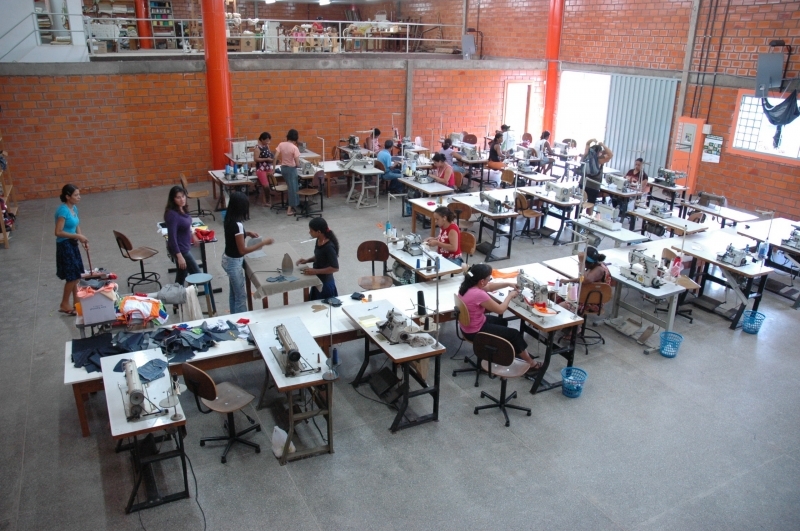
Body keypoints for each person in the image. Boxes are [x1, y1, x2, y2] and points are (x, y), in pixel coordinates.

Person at [457, 264, 542, 372]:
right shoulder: (478, 294)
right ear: (482, 281)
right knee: (514, 334)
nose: (489, 280)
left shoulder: (467, 286)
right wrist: (510, 296)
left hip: (468, 326)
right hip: (475, 331)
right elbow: (500, 310)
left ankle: (506, 351)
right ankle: (531, 363)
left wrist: (508, 283)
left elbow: (489, 287)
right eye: (488, 278)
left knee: (502, 322)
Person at [221, 192, 274, 314]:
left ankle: (234, 316)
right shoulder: (238, 225)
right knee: (240, 296)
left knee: (234, 293)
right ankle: (242, 320)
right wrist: (263, 243)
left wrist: (247, 233)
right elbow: (242, 250)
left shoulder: (228, 218)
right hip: (234, 263)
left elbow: (234, 236)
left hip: (227, 259)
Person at [55, 184, 88, 316]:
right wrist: (77, 236)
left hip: (72, 243)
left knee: (76, 274)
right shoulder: (63, 211)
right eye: (76, 195)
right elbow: (58, 232)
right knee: (72, 276)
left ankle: (76, 302)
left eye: (79, 194)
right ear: (68, 197)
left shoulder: (73, 208)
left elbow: (76, 224)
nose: (79, 197)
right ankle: (64, 303)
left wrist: (81, 238)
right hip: (65, 245)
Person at [558, 246, 612, 318]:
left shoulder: (599, 270)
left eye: (584, 263)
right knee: (555, 296)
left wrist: (581, 263)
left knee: (560, 307)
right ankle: (568, 323)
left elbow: (584, 280)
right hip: (585, 295)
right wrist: (567, 281)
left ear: (590, 263)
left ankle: (573, 324)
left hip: (591, 301)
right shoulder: (593, 265)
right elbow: (582, 279)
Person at [164, 185, 200, 286]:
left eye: (183, 196)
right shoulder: (172, 215)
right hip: (181, 250)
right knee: (197, 275)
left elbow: (187, 225)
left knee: (181, 275)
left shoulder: (182, 209)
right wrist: (179, 256)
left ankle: (178, 293)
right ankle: (190, 293)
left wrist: (193, 234)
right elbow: (172, 237)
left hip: (185, 246)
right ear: (173, 199)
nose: (182, 199)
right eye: (178, 197)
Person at [297, 217, 339, 301]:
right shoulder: (319, 240)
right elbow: (319, 256)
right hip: (318, 280)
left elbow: (335, 268)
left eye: (311, 230)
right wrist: (307, 260)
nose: (309, 232)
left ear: (318, 232)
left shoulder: (329, 247)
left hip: (325, 284)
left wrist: (315, 271)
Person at [275, 129, 302, 216]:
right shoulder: (294, 148)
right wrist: (301, 166)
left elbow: (275, 157)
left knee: (290, 187)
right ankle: (289, 210)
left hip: (283, 169)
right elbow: (297, 163)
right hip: (291, 170)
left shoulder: (281, 144)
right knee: (293, 189)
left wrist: (273, 168)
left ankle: (293, 204)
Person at [581, 139, 613, 208]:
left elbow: (587, 143)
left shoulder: (586, 156)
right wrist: (602, 145)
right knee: (590, 205)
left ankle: (577, 214)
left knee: (579, 203)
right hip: (593, 186)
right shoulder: (599, 160)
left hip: (582, 183)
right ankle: (589, 215)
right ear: (599, 152)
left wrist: (592, 140)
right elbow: (610, 154)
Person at [253, 132, 274, 207]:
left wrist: (272, 159)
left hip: (268, 167)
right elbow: (256, 159)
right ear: (262, 139)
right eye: (266, 140)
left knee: (272, 183)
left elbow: (269, 154)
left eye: (269, 140)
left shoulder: (267, 146)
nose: (268, 142)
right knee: (265, 185)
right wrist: (266, 159)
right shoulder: (257, 148)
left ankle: (267, 199)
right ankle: (267, 201)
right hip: (261, 169)